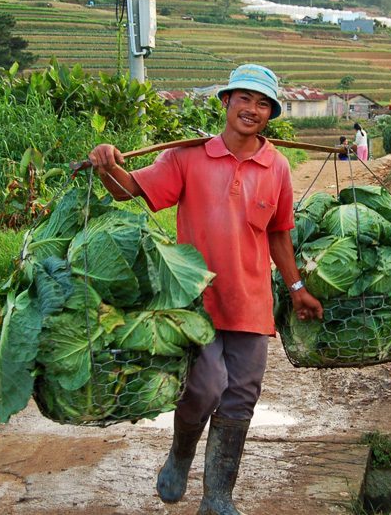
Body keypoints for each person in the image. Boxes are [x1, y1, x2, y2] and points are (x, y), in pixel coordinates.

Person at [88, 64, 323, 514]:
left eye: (262, 104)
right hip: (194, 303)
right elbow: (128, 190)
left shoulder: (276, 168)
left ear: (271, 113)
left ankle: (217, 497)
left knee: (240, 399)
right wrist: (107, 166)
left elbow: (279, 234)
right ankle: (180, 453)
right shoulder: (185, 157)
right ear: (226, 102)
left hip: (250, 303)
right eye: (244, 99)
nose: (251, 110)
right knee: (205, 387)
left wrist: (295, 288)